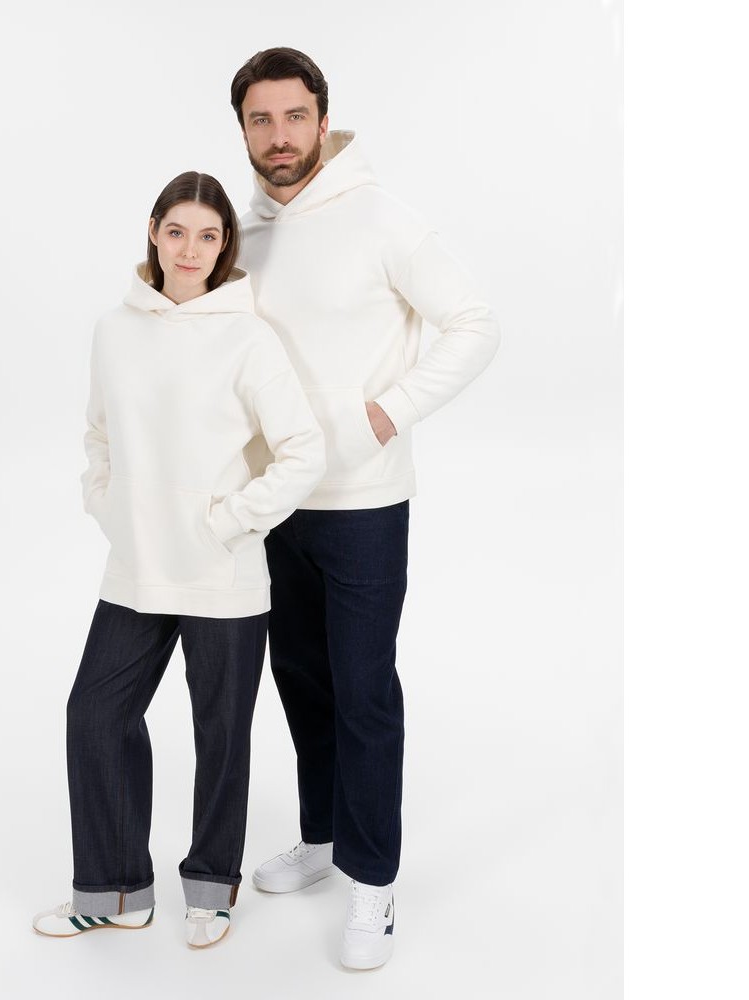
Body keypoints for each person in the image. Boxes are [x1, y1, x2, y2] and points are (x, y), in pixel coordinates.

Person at [229, 48, 501, 970]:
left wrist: (386, 412)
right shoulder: (247, 234)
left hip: (364, 504)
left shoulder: (384, 217)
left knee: (363, 689)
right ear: (244, 130)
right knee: (301, 680)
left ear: (322, 117)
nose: (279, 136)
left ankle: (373, 881)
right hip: (276, 504)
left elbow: (475, 323)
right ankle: (322, 836)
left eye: (293, 116)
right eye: (261, 120)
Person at [31, 171, 326, 949]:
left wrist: (227, 523)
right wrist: (106, 503)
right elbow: (99, 433)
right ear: (154, 233)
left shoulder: (248, 337)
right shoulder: (114, 329)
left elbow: (302, 451)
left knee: (220, 734)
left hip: (221, 571)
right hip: (137, 566)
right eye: (177, 231)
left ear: (224, 246)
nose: (190, 249)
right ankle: (115, 890)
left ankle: (210, 888)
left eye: (208, 235)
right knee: (95, 714)